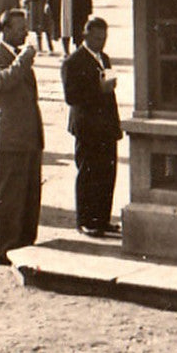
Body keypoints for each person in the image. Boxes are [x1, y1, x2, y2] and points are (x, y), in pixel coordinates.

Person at [0, 9, 44, 264]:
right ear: (5, 29)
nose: (25, 32)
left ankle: (25, 244)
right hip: (8, 136)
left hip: (28, 134)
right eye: (20, 28)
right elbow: (2, 81)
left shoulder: (17, 54)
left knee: (29, 195)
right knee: (9, 197)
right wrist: (23, 60)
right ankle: (6, 248)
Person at [63, 17, 123, 236]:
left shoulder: (104, 58)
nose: (102, 42)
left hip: (106, 125)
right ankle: (86, 219)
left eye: (104, 38)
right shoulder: (73, 61)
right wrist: (99, 89)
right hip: (87, 127)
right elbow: (71, 96)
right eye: (97, 38)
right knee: (88, 173)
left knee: (107, 173)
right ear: (86, 35)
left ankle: (102, 219)